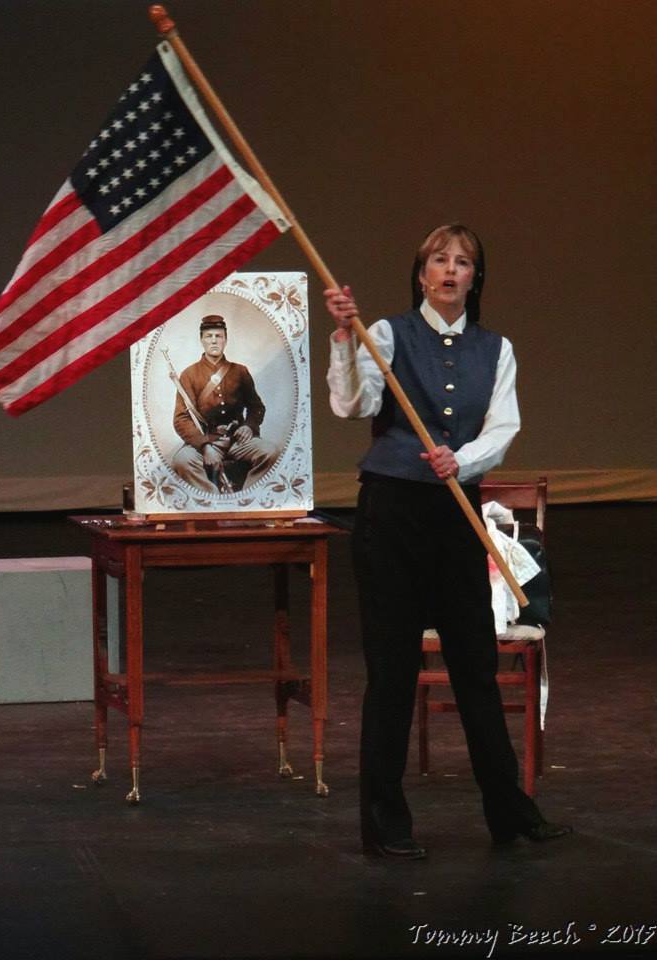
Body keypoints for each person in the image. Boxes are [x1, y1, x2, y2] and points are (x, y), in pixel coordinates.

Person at [325, 223, 571, 860]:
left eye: (463, 262)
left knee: (474, 670)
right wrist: (346, 339)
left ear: (475, 278)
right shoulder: (386, 335)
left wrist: (461, 461)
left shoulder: (497, 348)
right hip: (391, 517)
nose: (451, 271)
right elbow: (352, 406)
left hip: (455, 516)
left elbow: (504, 424)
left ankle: (509, 813)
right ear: (421, 273)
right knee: (392, 674)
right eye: (440, 260)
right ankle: (386, 824)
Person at [171, 315, 278, 492]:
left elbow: (256, 407)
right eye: (209, 336)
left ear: (225, 340)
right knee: (182, 461)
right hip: (206, 439)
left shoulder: (240, 371)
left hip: (237, 440)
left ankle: (246, 498)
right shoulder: (189, 374)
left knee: (269, 452)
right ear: (202, 340)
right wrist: (204, 446)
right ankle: (212, 502)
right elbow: (181, 419)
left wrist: (250, 427)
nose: (214, 340)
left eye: (218, 336)